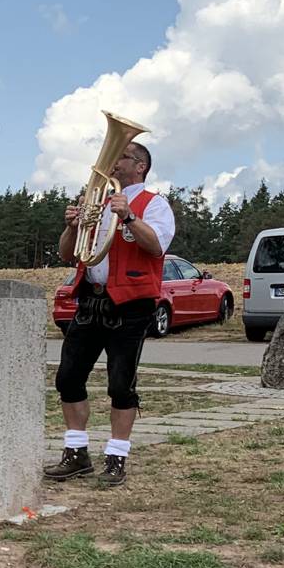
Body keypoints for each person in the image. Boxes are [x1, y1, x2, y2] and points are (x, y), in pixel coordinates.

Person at [46, 141, 172, 488]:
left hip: (131, 304)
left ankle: (117, 456)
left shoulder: (154, 203)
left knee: (120, 384)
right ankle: (77, 453)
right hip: (91, 300)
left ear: (141, 167)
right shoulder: (96, 202)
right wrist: (72, 226)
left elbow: (157, 245)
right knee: (68, 378)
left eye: (123, 157)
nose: (113, 162)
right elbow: (69, 256)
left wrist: (129, 215)